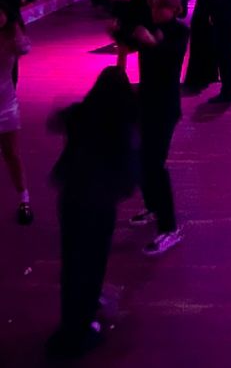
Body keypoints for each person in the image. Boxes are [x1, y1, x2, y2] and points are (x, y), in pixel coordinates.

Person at [46, 67, 138, 358]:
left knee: (72, 264)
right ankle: (81, 330)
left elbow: (54, 121)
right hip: (99, 203)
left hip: (72, 198)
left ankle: (68, 328)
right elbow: (130, 172)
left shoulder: (82, 113)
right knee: (93, 265)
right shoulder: (121, 125)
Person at [129, 0, 188, 254]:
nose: (156, 11)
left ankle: (170, 228)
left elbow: (169, 55)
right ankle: (153, 207)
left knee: (155, 164)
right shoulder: (151, 26)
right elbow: (131, 39)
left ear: (174, 10)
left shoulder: (179, 31)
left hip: (165, 107)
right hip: (146, 104)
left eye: (162, 8)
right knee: (142, 159)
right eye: (154, 7)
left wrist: (150, 41)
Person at [0, 3, 32, 224]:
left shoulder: (11, 39)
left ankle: (24, 199)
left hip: (5, 104)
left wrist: (15, 26)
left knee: (12, 153)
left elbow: (25, 47)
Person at [182, 0, 219, 92]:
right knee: (197, 41)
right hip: (200, 8)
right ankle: (197, 75)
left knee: (207, 41)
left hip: (208, 10)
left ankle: (207, 74)